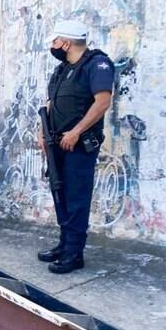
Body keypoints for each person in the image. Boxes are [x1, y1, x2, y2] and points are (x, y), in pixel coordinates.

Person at [37, 20, 113, 274]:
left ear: (66, 42)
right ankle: (64, 245)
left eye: (55, 41)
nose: (53, 46)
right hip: (57, 142)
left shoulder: (97, 65)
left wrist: (76, 132)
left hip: (79, 145)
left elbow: (103, 102)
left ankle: (74, 253)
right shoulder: (62, 70)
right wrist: (42, 133)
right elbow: (49, 106)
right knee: (61, 194)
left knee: (77, 197)